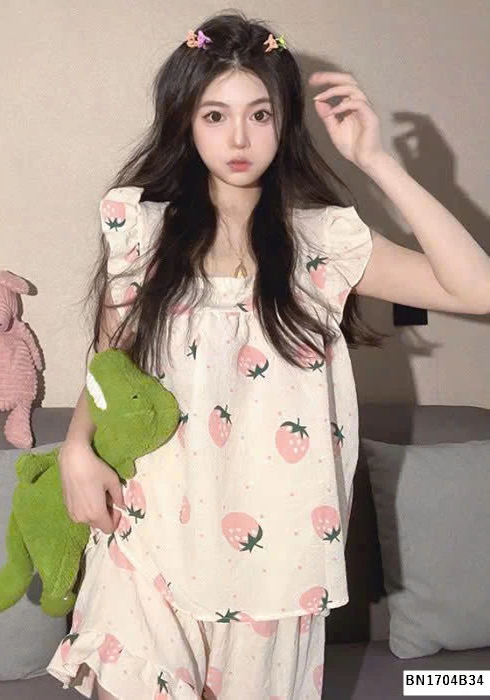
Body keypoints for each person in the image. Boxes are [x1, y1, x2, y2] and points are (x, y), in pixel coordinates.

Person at [46, 10, 490, 700]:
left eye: (260, 114)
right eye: (215, 116)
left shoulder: (324, 244)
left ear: (285, 123)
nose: (239, 138)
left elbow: (477, 288)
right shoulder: (142, 230)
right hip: (151, 530)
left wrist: (376, 161)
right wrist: (76, 449)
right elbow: (109, 367)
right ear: (186, 122)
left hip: (275, 555)